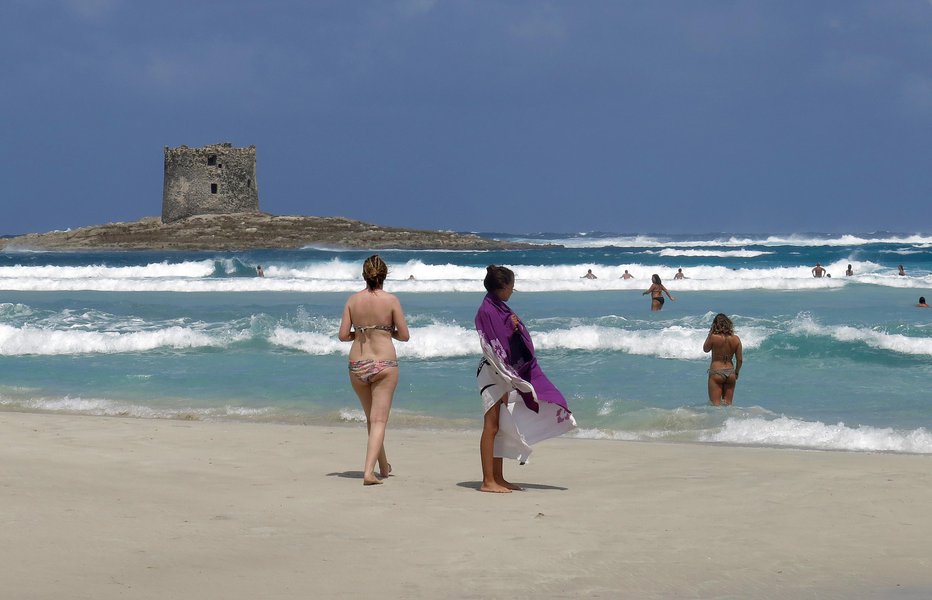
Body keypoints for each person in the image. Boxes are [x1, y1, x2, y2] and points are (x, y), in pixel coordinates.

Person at [475, 265, 575, 493]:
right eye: (511, 286)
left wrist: (514, 327)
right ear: (502, 287)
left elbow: (506, 337)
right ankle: (487, 481)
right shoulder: (487, 310)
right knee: (490, 426)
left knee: (498, 427)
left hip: (499, 373)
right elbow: (494, 345)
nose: (513, 290)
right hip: (492, 373)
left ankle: (497, 478)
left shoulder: (496, 307)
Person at [338, 255, 410, 486]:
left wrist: (360, 333)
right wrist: (385, 332)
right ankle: (368, 473)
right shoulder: (391, 301)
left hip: (357, 364)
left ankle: (383, 467)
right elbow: (405, 335)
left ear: (364, 275)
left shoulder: (352, 300)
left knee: (372, 419)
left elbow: (342, 335)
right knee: (378, 420)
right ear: (384, 275)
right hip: (384, 363)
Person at [703, 313, 743, 406]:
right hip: (731, 373)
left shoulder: (713, 337)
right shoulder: (736, 339)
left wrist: (710, 333)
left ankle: (717, 421)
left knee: (715, 406)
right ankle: (728, 421)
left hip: (716, 372)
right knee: (728, 406)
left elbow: (705, 349)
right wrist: (736, 372)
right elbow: (740, 360)